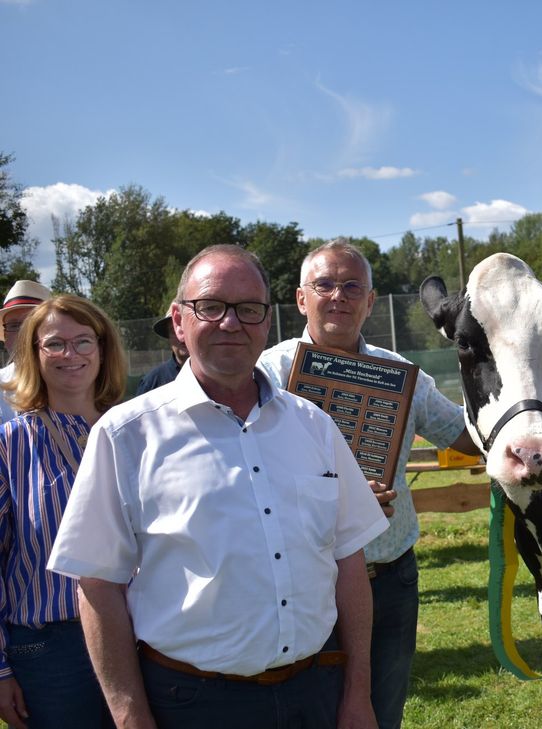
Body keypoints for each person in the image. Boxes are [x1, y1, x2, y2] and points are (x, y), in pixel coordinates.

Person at [47, 245, 389, 729]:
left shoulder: (313, 426)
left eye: (249, 309)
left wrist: (358, 693)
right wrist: (128, 715)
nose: (232, 323)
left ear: (267, 322)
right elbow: (98, 585)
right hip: (191, 703)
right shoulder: (127, 436)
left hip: (316, 694)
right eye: (211, 306)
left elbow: (349, 562)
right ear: (179, 321)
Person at [258, 238, 478, 729]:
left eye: (352, 286)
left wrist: (518, 403)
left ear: (371, 301)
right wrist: (337, 503)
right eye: (325, 285)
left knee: (379, 713)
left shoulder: (401, 374)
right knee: (305, 713)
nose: (338, 296)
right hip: (300, 581)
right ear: (300, 298)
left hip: (388, 579)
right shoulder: (265, 375)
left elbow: (464, 435)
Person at [0, 295, 125, 729]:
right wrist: (0, 670)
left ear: (103, 349)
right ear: (33, 354)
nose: (70, 355)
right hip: (54, 653)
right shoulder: (11, 445)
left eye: (83, 342)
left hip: (140, 638)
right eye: (54, 343)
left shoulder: (136, 433)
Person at [0, 281, 51, 423]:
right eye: (15, 325)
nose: (24, 333)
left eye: (33, 324)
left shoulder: (78, 379)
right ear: (6, 336)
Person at [134, 305, 188, 394]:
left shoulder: (216, 377)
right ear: (168, 337)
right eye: (173, 330)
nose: (181, 336)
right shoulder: (151, 383)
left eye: (185, 327)